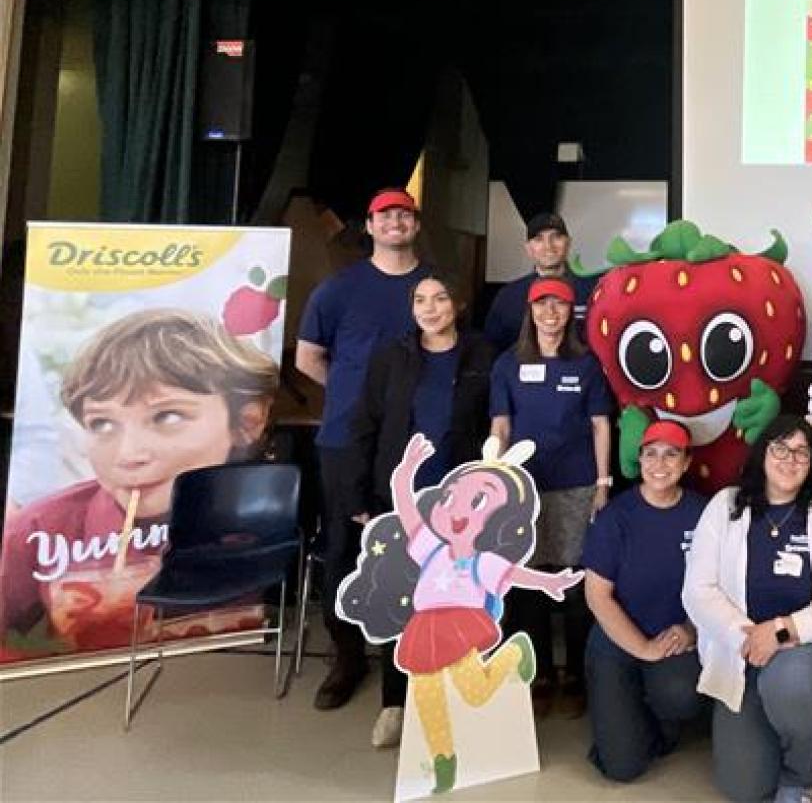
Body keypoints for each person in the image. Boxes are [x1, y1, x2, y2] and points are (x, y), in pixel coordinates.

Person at [0, 309, 276, 655]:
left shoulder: (265, 518)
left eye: (167, 416)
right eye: (102, 424)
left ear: (249, 421)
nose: (128, 454)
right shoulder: (41, 530)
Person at [336, 434, 583, 796]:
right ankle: (443, 760)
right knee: (426, 697)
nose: (457, 509)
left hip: (461, 629)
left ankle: (513, 656)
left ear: (501, 520)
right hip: (424, 629)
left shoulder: (482, 561)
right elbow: (408, 516)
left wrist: (550, 581)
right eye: (451, 496)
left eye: (479, 500)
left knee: (474, 691)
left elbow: (515, 574)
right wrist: (403, 477)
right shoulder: (431, 550)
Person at [682, 415, 812, 803]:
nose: (790, 459)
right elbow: (698, 591)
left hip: (803, 655)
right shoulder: (725, 506)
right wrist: (746, 637)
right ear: (762, 453)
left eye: (802, 452)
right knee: (743, 787)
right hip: (741, 655)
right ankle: (782, 732)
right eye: (780, 448)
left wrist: (782, 630)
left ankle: (800, 770)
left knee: (789, 683)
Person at [296, 187, 431, 709]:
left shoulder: (432, 288)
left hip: (414, 445)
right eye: (385, 215)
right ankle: (346, 657)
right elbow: (309, 359)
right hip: (345, 442)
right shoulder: (339, 288)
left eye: (404, 214)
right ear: (370, 227)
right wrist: (355, 398)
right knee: (343, 550)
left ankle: (411, 661)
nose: (395, 222)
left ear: (415, 225)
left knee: (416, 550)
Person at [348, 271, 496, 749]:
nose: (431, 308)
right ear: (411, 309)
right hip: (403, 498)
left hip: (464, 507)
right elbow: (365, 424)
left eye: (440, 297)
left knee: (461, 601)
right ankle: (395, 703)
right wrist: (360, 498)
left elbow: (499, 419)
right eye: (421, 300)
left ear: (457, 303)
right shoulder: (391, 356)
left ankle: (460, 699)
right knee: (403, 599)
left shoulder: (482, 353)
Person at [489, 276, 614, 718]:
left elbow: (601, 424)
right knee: (529, 584)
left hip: (577, 486)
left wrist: (603, 483)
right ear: (530, 312)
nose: (550, 313)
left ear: (570, 313)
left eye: (559, 305)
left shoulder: (585, 365)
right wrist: (496, 478)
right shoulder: (507, 364)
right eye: (542, 305)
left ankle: (575, 674)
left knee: (574, 583)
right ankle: (538, 671)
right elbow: (501, 426)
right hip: (524, 490)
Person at [580, 420, 708, 782]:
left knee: (681, 697)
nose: (660, 464)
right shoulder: (615, 518)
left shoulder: (704, 514)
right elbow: (597, 596)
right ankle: (622, 713)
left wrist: (691, 629)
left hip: (674, 637)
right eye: (650, 454)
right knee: (622, 767)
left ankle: (652, 714)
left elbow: (722, 588)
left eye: (671, 454)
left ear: (686, 462)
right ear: (639, 460)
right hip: (618, 641)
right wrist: (643, 648)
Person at [483, 212, 594, 353]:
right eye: (538, 239)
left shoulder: (592, 292)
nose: (548, 246)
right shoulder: (509, 296)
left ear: (568, 243)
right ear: (528, 248)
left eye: (556, 237)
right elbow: (491, 348)